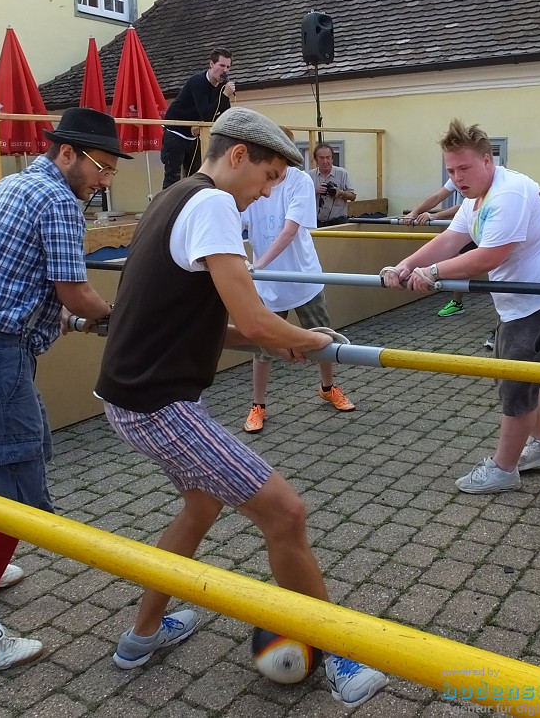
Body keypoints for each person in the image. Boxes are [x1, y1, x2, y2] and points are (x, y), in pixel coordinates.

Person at [95, 107, 387, 707]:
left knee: (200, 507)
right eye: (270, 174)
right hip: (157, 405)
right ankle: (339, 658)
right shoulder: (213, 206)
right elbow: (253, 318)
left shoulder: (174, 196)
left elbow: (201, 323)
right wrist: (313, 338)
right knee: (287, 514)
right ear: (237, 156)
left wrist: (284, 344)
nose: (271, 190)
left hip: (130, 396)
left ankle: (139, 637)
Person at [0, 108, 126, 670]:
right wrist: (122, 319)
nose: (105, 181)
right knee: (18, 498)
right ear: (66, 152)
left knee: (2, 471)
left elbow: (21, 279)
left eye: (111, 171)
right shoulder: (60, 201)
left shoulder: (13, 184)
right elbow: (74, 292)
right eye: (102, 168)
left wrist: (65, 316)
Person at [381, 119, 540, 494]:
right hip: (523, 305)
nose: (458, 177)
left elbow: (489, 257)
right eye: (451, 170)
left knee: (515, 386)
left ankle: (504, 469)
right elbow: (450, 239)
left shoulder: (508, 194)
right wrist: (405, 265)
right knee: (515, 380)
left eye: (464, 168)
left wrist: (432, 273)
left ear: (487, 161)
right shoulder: (476, 198)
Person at [241, 145, 356, 434]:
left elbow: (289, 230)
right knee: (263, 347)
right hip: (268, 285)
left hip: (303, 278)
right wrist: (239, 261)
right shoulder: (252, 179)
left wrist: (258, 266)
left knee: (322, 339)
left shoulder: (300, 180)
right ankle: (258, 405)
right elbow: (234, 221)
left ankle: (328, 388)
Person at [160, 48, 235, 190]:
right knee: (173, 176)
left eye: (228, 67)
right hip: (175, 131)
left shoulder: (221, 87)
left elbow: (224, 115)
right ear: (211, 64)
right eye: (221, 66)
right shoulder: (198, 81)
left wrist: (224, 97)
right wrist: (224, 95)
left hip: (193, 135)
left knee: (195, 175)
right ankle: (168, 209)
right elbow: (207, 114)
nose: (225, 71)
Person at [401, 183, 471, 317]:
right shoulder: (456, 177)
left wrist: (434, 216)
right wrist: (415, 212)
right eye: (451, 170)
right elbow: (437, 197)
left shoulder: (482, 178)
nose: (456, 174)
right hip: (467, 227)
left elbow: (465, 206)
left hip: (487, 226)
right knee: (458, 259)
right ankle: (457, 303)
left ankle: (501, 317)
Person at [311, 142, 356, 226]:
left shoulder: (342, 173)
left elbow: (353, 197)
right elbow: (301, 198)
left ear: (332, 159)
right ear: (316, 160)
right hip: (317, 223)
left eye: (328, 157)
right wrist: (315, 191)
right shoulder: (310, 175)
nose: (325, 161)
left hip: (339, 222)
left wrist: (340, 193)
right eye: (321, 158)